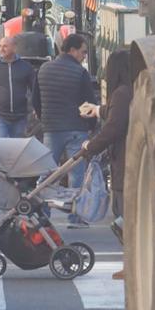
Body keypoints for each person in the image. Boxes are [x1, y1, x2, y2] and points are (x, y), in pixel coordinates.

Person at [34, 33, 98, 228]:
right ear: (72, 50)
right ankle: (76, 217)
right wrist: (92, 127)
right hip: (76, 129)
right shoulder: (80, 73)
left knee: (47, 173)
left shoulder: (44, 69)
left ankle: (42, 214)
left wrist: (43, 117)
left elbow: (35, 99)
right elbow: (89, 102)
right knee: (77, 175)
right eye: (83, 52)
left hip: (51, 129)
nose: (84, 56)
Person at [80, 50, 132, 280]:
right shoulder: (134, 90)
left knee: (124, 216)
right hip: (129, 158)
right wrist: (98, 109)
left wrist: (91, 147)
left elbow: (114, 127)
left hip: (125, 160)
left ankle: (131, 264)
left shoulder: (121, 93)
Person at [0, 35, 35, 138]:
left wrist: (34, 107)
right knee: (1, 147)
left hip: (20, 118)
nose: (1, 49)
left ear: (14, 48)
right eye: (0, 46)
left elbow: (34, 88)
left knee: (16, 150)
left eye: (5, 46)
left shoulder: (25, 67)